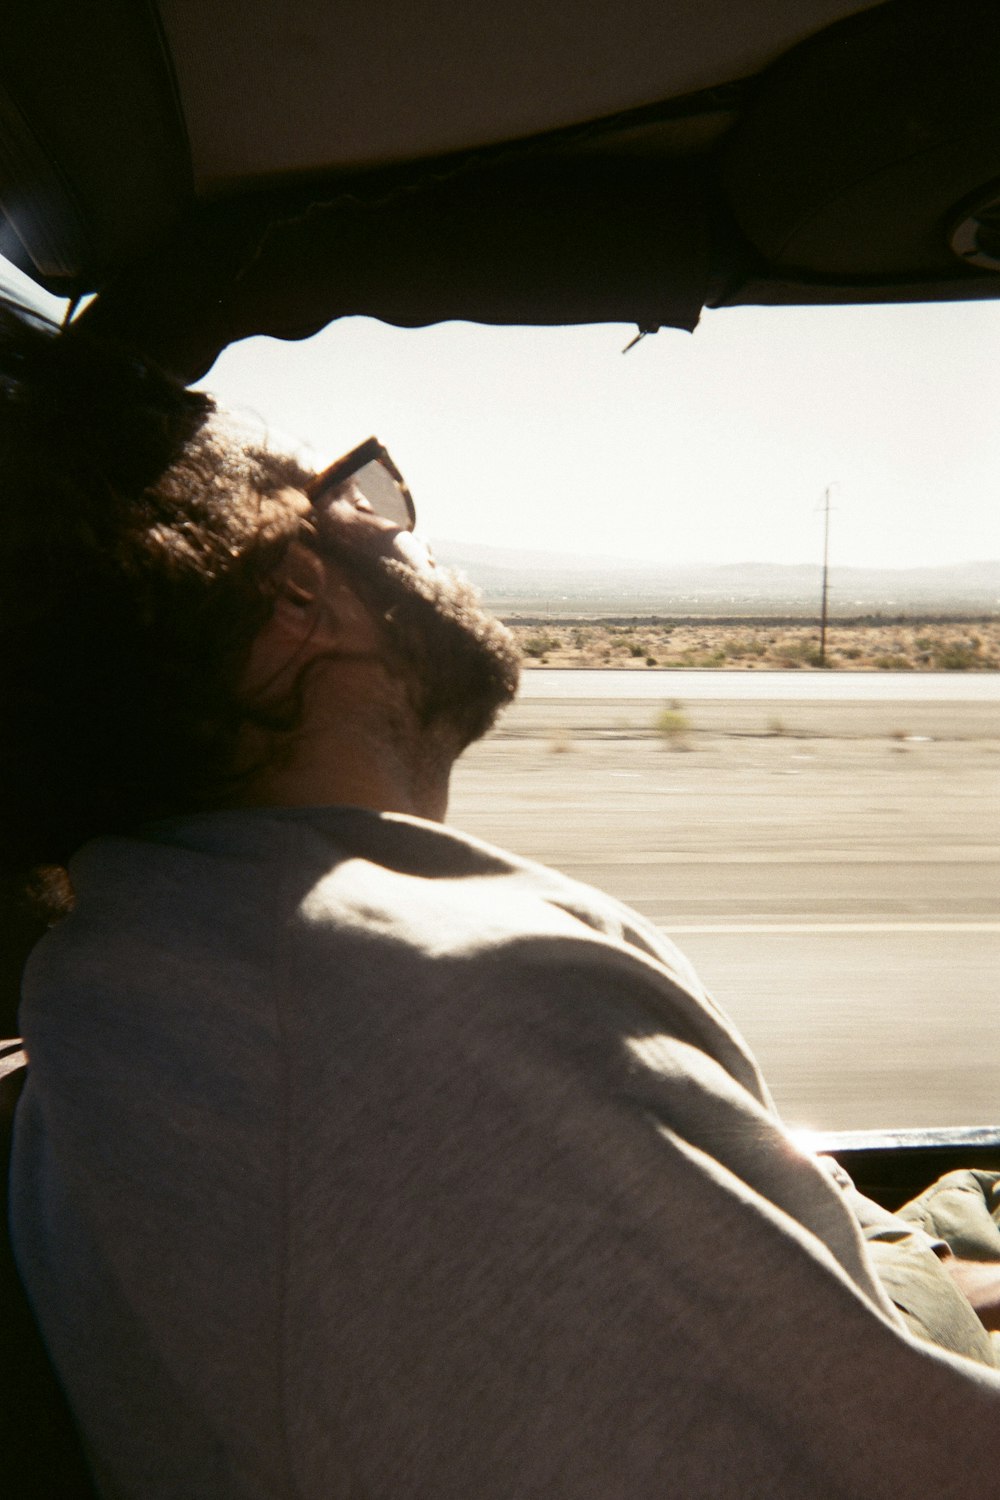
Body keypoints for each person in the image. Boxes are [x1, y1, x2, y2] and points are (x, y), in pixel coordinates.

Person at [3, 302, 1000, 1500]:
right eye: (370, 498)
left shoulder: (133, 966)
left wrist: (888, 1265)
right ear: (292, 598)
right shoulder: (430, 991)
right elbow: (918, 1455)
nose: (415, 533)